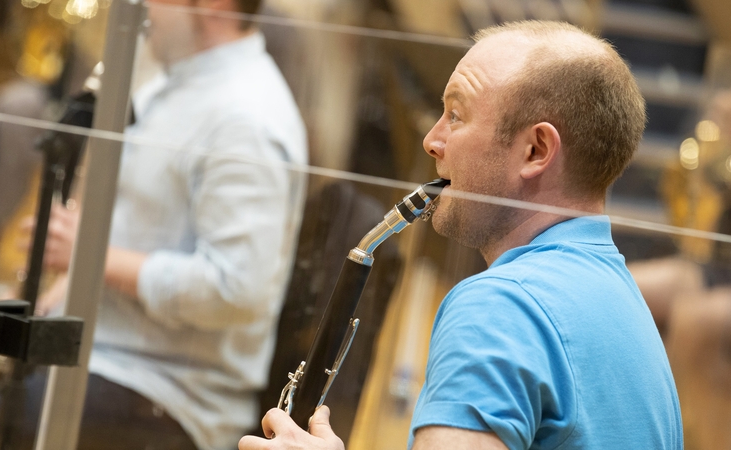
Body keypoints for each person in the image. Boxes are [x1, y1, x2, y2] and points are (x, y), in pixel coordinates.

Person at [239, 20, 682, 450]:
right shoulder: (627, 307)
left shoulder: (501, 307)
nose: (432, 140)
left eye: (456, 114)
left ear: (536, 150)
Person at [0, 1, 307, 449]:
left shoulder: (248, 120)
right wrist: (40, 305)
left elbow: (238, 290)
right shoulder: (171, 80)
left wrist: (94, 255)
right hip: (102, 357)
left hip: (167, 396)